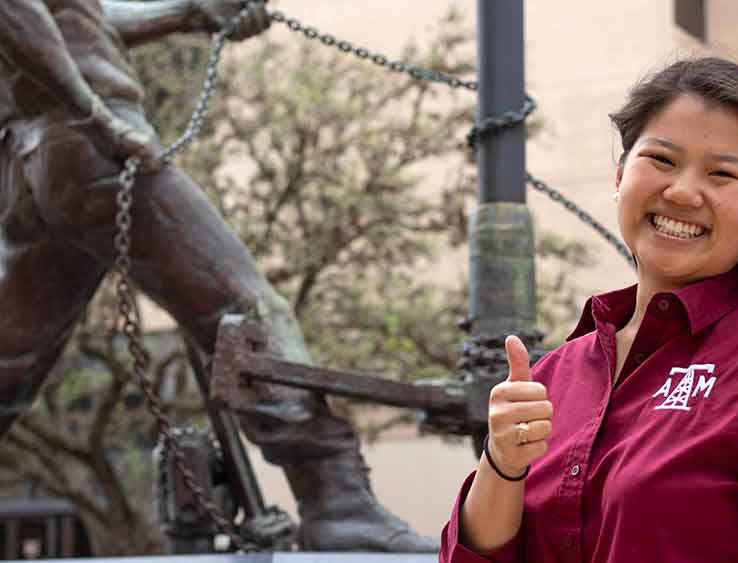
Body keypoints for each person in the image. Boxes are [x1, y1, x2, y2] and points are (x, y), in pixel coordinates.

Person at [0, 0, 436, 552]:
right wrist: (96, 115)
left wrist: (187, 13)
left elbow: (74, 18)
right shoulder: (86, 115)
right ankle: (338, 501)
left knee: (7, 365)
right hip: (87, 145)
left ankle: (339, 502)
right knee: (246, 310)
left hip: (30, 161)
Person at [440, 57, 738, 562]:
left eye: (722, 174)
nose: (682, 191)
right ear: (620, 176)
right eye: (661, 160)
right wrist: (503, 462)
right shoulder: (555, 375)